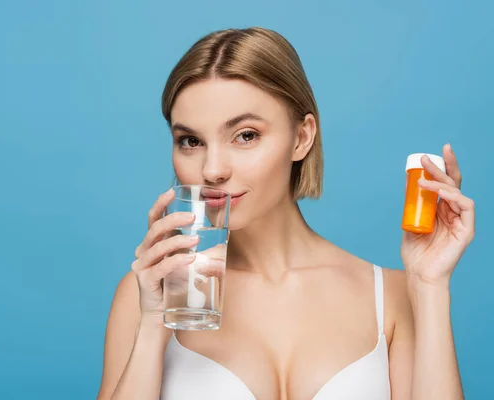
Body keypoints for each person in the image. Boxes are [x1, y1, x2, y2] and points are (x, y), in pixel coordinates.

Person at [97, 27, 475, 400]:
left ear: (301, 137)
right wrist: (151, 328)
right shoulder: (147, 295)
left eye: (245, 135)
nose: (212, 170)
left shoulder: (392, 297)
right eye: (191, 141)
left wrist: (429, 287)